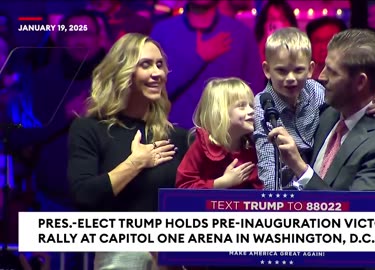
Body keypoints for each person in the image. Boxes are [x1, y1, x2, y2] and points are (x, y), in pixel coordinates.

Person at [67, 33, 189, 269]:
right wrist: (135, 163)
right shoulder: (90, 128)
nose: (157, 73)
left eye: (160, 65)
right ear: (123, 72)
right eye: (146, 65)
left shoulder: (177, 137)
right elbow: (83, 194)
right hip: (118, 259)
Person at [267, 29, 375, 212]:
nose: (321, 77)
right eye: (324, 66)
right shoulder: (326, 112)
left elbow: (356, 218)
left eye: (332, 72)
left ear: (360, 82)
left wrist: (300, 169)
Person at [253, 27, 375, 191]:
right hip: (285, 191)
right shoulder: (264, 105)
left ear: (310, 69)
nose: (290, 78)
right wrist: (274, 203)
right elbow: (268, 163)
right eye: (281, 71)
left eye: (298, 70)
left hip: (315, 189)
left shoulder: (315, 90)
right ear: (267, 70)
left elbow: (351, 98)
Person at [150, 0, 264, 129]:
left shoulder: (240, 34)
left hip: (228, 138)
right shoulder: (163, 32)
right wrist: (198, 58)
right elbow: (154, 91)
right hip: (174, 137)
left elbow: (255, 92)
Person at [176, 77, 262, 190]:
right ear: (220, 112)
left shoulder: (252, 147)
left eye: (251, 105)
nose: (251, 111)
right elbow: (183, 187)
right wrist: (222, 183)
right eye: (242, 106)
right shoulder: (203, 147)